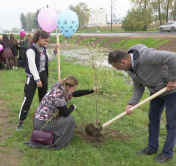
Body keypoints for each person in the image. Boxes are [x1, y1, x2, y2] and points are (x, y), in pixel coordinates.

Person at [108, 44, 176, 163]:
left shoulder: (148, 56)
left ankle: (167, 153)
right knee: (153, 119)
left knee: (171, 124)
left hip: (172, 91)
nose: (118, 70)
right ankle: (152, 147)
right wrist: (132, 103)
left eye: (117, 67)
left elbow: (172, 57)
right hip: (156, 92)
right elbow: (138, 87)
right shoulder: (131, 69)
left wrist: (173, 79)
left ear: (123, 62)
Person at [25, 75, 97, 149]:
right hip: (41, 124)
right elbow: (65, 113)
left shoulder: (59, 86)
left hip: (38, 119)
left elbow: (74, 93)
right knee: (69, 119)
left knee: (63, 118)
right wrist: (73, 107)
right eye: (73, 89)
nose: (74, 90)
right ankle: (59, 139)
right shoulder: (60, 96)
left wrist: (91, 90)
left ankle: (56, 131)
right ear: (68, 87)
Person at [16, 30, 60, 130]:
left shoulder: (43, 48)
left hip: (43, 76)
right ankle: (21, 120)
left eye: (47, 42)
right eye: (45, 41)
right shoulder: (31, 50)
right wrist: (37, 79)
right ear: (39, 38)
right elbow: (32, 66)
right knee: (28, 99)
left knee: (44, 99)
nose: (46, 43)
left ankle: (42, 118)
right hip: (33, 77)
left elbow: (49, 59)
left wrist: (55, 51)